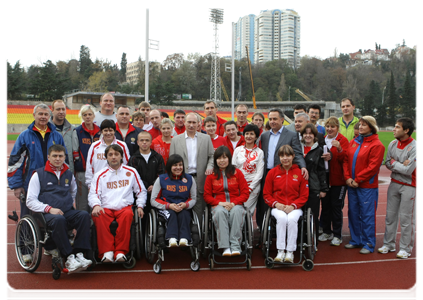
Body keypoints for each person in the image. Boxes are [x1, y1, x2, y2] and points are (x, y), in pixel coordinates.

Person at [26, 145, 92, 271]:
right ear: (48, 157)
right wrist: (49, 208)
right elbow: (30, 201)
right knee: (59, 220)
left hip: (66, 211)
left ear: (64, 157)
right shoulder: (38, 175)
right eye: (55, 156)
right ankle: (68, 257)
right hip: (47, 215)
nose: (58, 159)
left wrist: (66, 204)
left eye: (60, 156)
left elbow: (73, 192)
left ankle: (79, 253)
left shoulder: (68, 173)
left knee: (84, 216)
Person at [89, 144, 146, 262]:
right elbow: (93, 193)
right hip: (105, 207)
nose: (113, 157)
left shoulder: (131, 171)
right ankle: (107, 252)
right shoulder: (99, 175)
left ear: (122, 157)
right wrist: (96, 205)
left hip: (124, 207)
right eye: (110, 155)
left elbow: (141, 191)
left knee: (128, 215)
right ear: (106, 158)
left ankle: (121, 251)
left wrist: (140, 205)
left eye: (116, 154)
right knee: (98, 215)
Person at [8, 103, 66, 218]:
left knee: (52, 216)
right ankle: (26, 236)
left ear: (49, 116)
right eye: (40, 114)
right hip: (29, 183)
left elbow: (65, 159)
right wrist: (16, 185)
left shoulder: (57, 136)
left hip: (52, 183)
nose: (43, 117)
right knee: (28, 216)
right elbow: (15, 162)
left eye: (46, 114)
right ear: (34, 115)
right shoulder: (24, 136)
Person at [256, 108, 308, 232]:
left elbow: (298, 153)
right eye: (270, 119)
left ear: (282, 120)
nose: (272, 121)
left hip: (283, 173)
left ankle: (280, 230)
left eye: (275, 119)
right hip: (267, 173)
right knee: (263, 203)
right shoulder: (264, 136)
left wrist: (303, 166)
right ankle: (263, 230)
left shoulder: (291, 135)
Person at [378, 118, 420, 259]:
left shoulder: (416, 147)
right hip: (394, 183)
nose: (394, 129)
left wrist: (395, 163)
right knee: (390, 216)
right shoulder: (392, 144)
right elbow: (387, 163)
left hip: (409, 185)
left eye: (397, 127)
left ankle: (405, 248)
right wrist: (400, 163)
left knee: (407, 219)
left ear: (406, 130)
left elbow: (408, 170)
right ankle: (389, 244)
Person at [343, 116, 385, 254]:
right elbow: (346, 160)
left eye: (364, 125)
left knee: (367, 215)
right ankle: (356, 240)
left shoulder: (377, 145)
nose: (360, 127)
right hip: (352, 184)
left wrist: (358, 179)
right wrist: (348, 177)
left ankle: (368, 243)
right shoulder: (354, 141)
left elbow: (373, 167)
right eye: (360, 124)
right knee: (353, 212)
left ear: (371, 127)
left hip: (367, 186)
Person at [263, 145, 309, 263]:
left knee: (292, 219)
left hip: (294, 207)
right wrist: (276, 204)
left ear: (293, 156)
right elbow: (266, 194)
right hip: (278, 206)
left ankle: (290, 252)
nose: (285, 158)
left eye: (288, 155)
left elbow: (304, 195)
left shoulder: (300, 173)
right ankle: (280, 251)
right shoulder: (272, 173)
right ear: (279, 157)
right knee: (282, 219)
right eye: (282, 156)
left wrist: (293, 206)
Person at [204, 146, 249, 256]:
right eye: (219, 158)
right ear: (215, 160)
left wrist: (234, 203)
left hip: (235, 203)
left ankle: (235, 246)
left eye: (224, 157)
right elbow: (207, 196)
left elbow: (245, 193)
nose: (222, 161)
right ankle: (225, 247)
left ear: (229, 159)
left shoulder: (237, 173)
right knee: (220, 212)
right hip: (218, 204)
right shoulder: (211, 176)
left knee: (237, 212)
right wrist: (219, 203)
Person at [169, 112, 214, 219]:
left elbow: (212, 156)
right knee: (181, 207)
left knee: (199, 208)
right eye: (189, 122)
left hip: (200, 178)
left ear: (199, 124)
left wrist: (209, 167)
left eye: (194, 122)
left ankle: (197, 232)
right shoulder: (175, 140)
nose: (191, 125)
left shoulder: (206, 138)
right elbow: (171, 160)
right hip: (182, 178)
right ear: (184, 122)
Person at [150, 154, 197, 247]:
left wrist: (185, 205)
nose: (178, 168)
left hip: (183, 207)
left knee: (184, 214)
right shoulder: (161, 179)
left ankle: (184, 238)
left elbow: (193, 198)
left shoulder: (189, 179)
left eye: (180, 165)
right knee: (171, 214)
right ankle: (172, 238)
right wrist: (168, 205)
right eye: (175, 165)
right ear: (169, 166)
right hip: (166, 208)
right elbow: (153, 199)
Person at [319, 117, 349, 246]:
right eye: (327, 126)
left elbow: (346, 158)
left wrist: (340, 149)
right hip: (325, 179)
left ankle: (337, 234)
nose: (330, 129)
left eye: (332, 126)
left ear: (337, 128)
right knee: (325, 206)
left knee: (336, 207)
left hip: (338, 180)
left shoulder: (343, 140)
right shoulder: (322, 139)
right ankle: (326, 231)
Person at [129, 131, 165, 231]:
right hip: (140, 192)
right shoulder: (133, 159)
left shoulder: (158, 157)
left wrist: (154, 185)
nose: (144, 142)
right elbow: (134, 177)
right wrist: (145, 186)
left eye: (147, 140)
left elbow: (161, 174)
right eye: (142, 140)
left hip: (156, 192)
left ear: (150, 142)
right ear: (138, 142)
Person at [300, 123, 329, 246]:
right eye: (305, 133)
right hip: (298, 188)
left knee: (313, 214)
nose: (308, 136)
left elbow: (322, 170)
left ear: (314, 135)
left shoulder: (320, 150)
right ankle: (300, 239)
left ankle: (313, 240)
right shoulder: (297, 148)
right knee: (300, 214)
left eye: (310, 133)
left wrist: (323, 189)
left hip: (314, 187)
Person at [72, 104, 101, 212]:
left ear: (94, 116)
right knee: (82, 203)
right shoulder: (77, 131)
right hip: (82, 172)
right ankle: (83, 227)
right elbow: (75, 151)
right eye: (85, 115)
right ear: (82, 116)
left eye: (90, 114)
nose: (87, 117)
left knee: (97, 202)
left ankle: (94, 227)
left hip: (98, 173)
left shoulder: (100, 131)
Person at [85, 120, 130, 188]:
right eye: (105, 130)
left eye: (111, 130)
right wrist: (89, 185)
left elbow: (126, 164)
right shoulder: (94, 146)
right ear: (101, 132)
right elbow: (89, 166)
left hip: (117, 183)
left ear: (114, 131)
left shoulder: (122, 145)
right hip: (99, 182)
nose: (108, 133)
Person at [232, 124, 264, 214]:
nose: (249, 136)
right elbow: (233, 168)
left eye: (251, 134)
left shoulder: (260, 152)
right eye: (247, 134)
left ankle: (244, 228)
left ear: (256, 137)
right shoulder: (238, 150)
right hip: (238, 186)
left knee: (245, 212)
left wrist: (250, 188)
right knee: (235, 209)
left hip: (252, 187)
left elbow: (259, 173)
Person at [50, 100, 75, 172]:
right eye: (58, 109)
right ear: (52, 111)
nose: (61, 112)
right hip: (51, 172)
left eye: (63, 109)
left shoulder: (72, 129)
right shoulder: (47, 129)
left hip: (69, 171)